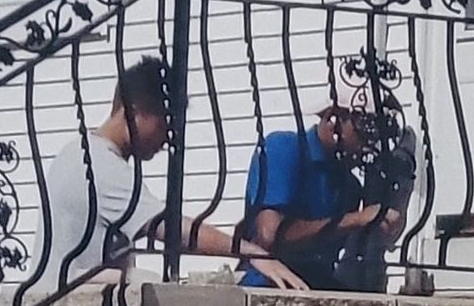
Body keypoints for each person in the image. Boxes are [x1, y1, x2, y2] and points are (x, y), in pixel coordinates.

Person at [38, 56, 305, 290]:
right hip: (67, 297)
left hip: (63, 289)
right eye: (165, 123)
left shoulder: (80, 152)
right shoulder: (100, 166)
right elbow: (171, 229)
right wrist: (253, 253)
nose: (169, 137)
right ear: (133, 111)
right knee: (152, 284)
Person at [239, 67, 414, 292]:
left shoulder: (350, 186)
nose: (369, 143)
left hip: (315, 289)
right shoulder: (284, 148)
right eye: (365, 129)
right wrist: (356, 219)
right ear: (334, 120)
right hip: (267, 286)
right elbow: (270, 238)